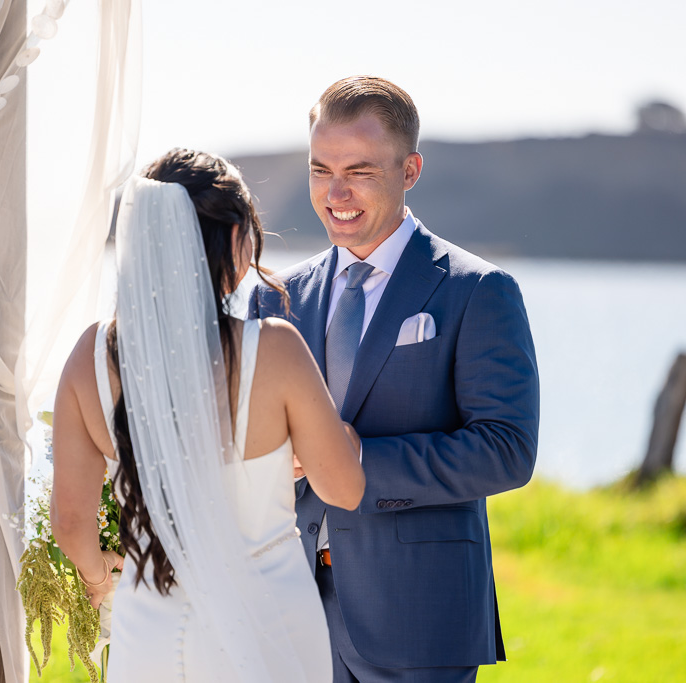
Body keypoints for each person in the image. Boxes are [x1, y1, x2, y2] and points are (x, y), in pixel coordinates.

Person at [248, 76, 540, 683]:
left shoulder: (478, 291)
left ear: (410, 171)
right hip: (288, 608)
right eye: (320, 169)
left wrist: (356, 460)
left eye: (360, 170)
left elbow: (507, 450)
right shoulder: (274, 297)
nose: (336, 192)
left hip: (420, 616)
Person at [50, 148, 365, 682]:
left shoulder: (90, 357)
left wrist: (101, 575)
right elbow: (344, 489)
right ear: (234, 241)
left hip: (148, 623)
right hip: (269, 619)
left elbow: (73, 523)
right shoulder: (275, 350)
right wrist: (344, 437)